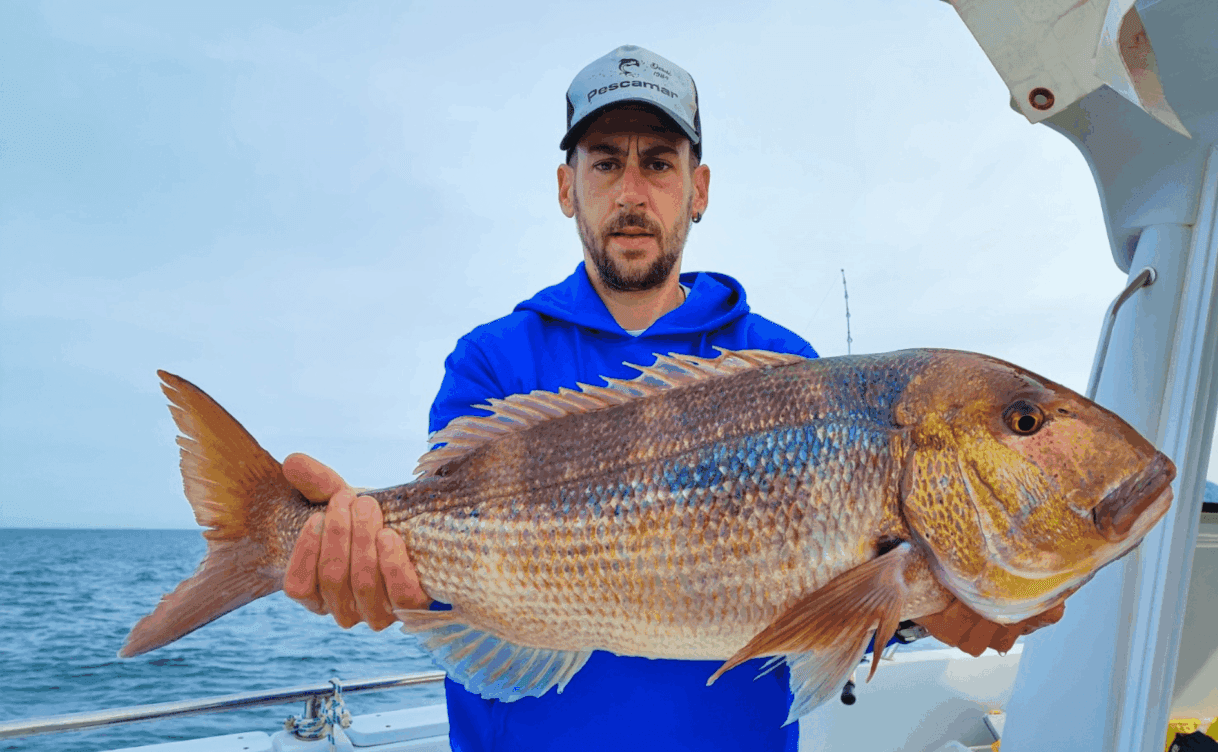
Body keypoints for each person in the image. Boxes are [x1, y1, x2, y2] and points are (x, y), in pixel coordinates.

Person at [280, 45, 1064, 752]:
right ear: (566, 187)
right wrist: (372, 570)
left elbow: (835, 594)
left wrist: (928, 604)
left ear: (700, 188)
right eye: (604, 163)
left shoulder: (783, 365)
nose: (631, 191)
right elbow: (453, 591)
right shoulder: (492, 359)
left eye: (658, 163)